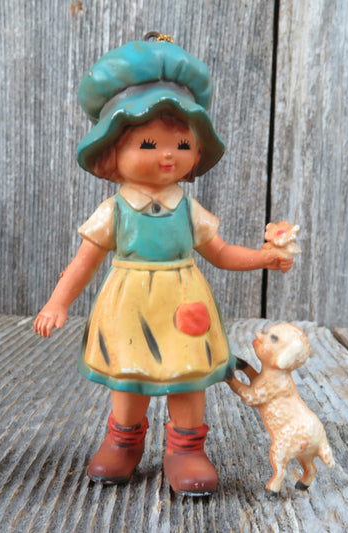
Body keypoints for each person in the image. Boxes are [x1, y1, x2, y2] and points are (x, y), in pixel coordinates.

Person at [33, 35, 294, 496]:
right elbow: (84, 262)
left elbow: (221, 252)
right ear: (111, 153)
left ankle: (187, 449)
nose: (168, 154)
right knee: (129, 379)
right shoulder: (114, 212)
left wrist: (265, 258)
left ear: (197, 152)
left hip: (184, 305)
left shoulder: (189, 211)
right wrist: (58, 302)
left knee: (187, 379)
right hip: (129, 304)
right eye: (149, 143)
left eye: (182, 143)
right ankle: (123, 441)